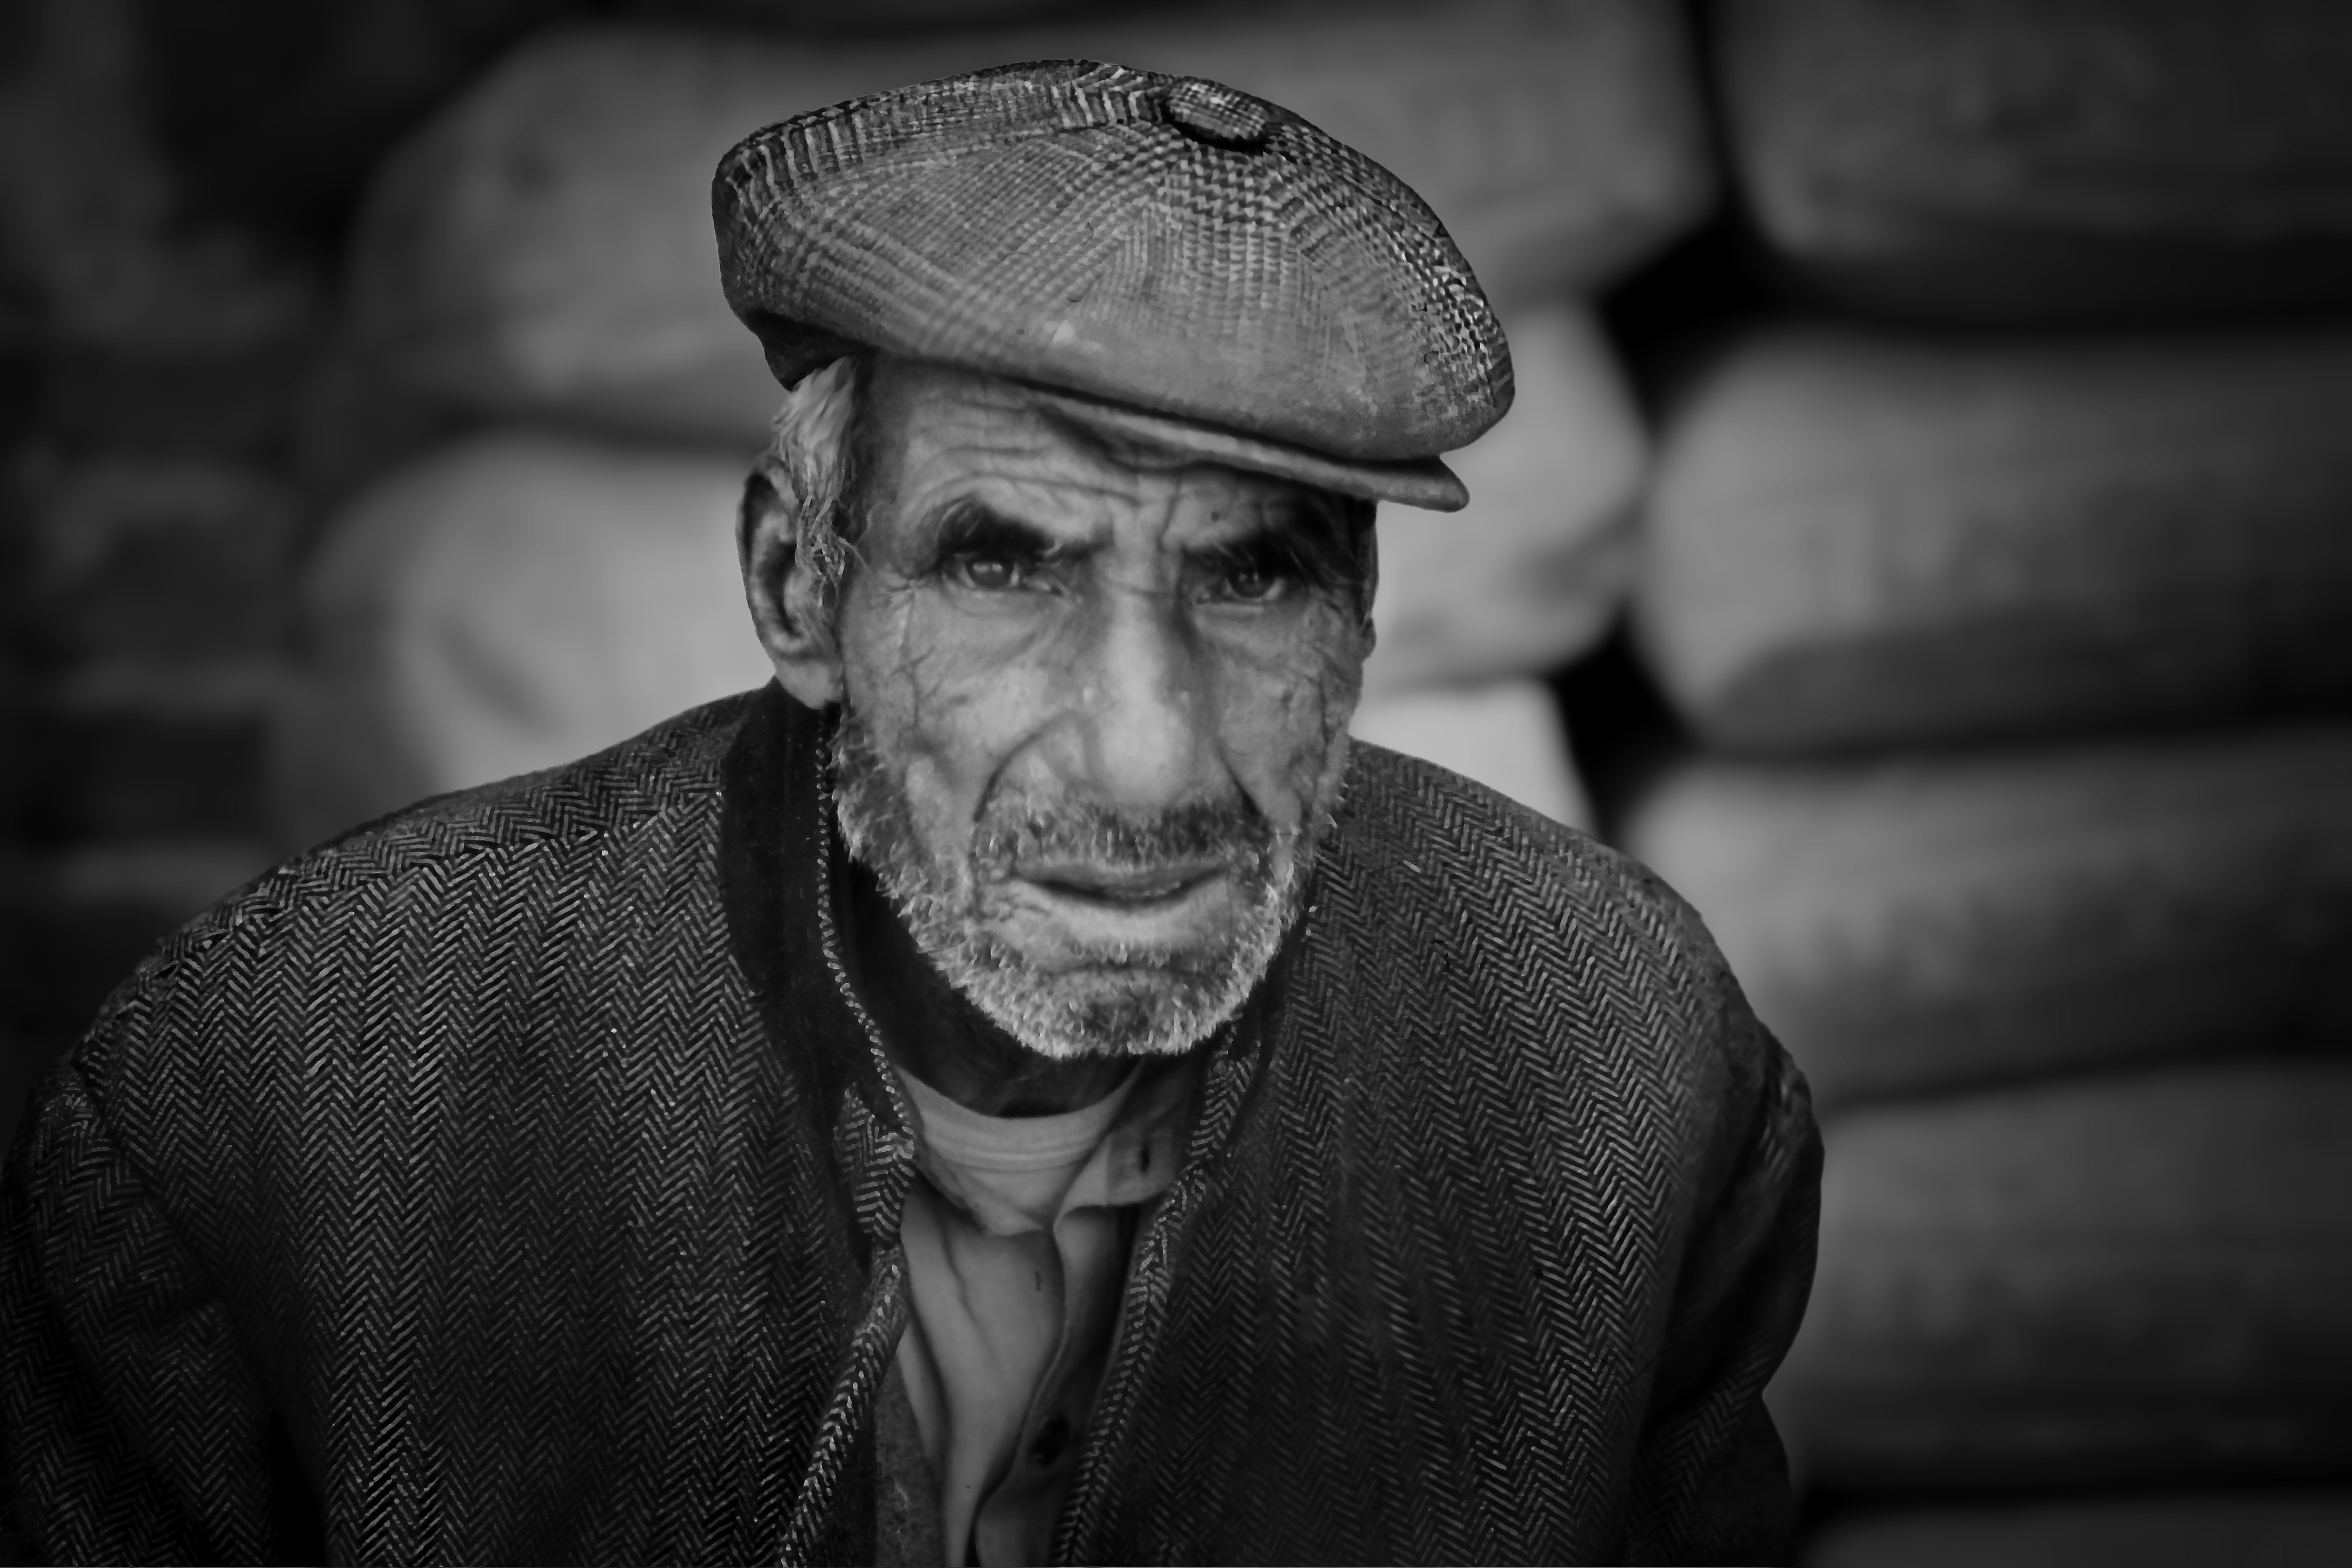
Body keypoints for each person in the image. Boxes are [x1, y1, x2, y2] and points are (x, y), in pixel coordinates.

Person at [0, 62, 1818, 1566]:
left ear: (1361, 626)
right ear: (802, 591)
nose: (1145, 760)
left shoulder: (1618, 1068)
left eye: (1254, 578)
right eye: (1005, 564)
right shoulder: (281, 1100)